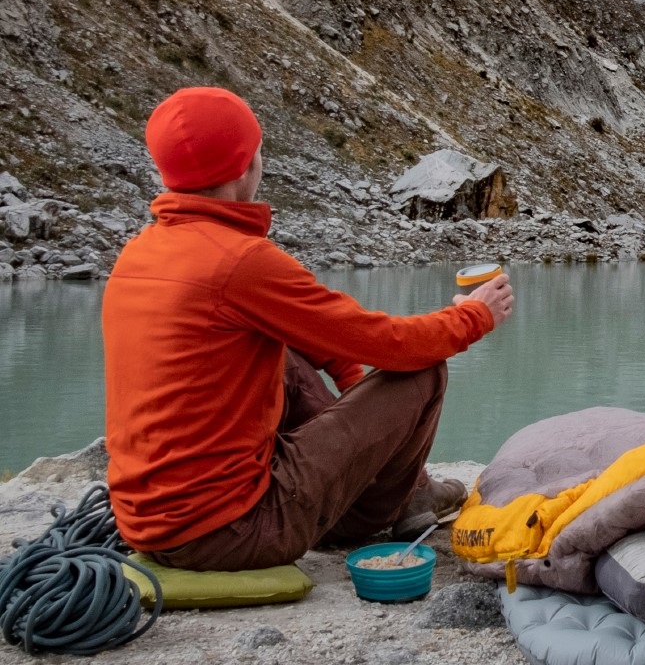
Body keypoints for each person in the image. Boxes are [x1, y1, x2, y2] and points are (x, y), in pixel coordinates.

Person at [102, 86, 514, 572]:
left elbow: (322, 338)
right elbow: (390, 345)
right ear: (246, 164)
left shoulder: (141, 253)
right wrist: (475, 316)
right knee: (423, 372)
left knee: (281, 350)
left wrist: (362, 397)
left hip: (150, 521)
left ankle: (411, 491)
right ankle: (385, 507)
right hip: (237, 531)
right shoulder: (240, 262)